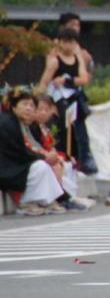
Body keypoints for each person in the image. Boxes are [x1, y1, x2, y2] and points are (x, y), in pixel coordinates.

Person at [0, 87, 71, 215]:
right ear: (14, 106)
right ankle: (26, 202)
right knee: (40, 166)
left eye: (31, 105)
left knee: (47, 165)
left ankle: (49, 199)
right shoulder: (7, 123)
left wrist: (44, 156)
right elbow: (18, 152)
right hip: (8, 167)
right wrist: (42, 157)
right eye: (24, 104)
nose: (28, 108)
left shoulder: (24, 124)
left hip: (17, 164)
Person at [37, 26, 96, 174]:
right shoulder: (55, 61)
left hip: (74, 99)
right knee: (62, 132)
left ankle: (80, 160)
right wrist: (44, 102)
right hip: (59, 100)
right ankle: (64, 158)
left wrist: (67, 80)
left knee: (79, 132)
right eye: (65, 42)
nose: (68, 46)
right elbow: (44, 82)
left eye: (71, 42)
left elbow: (84, 78)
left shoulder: (77, 59)